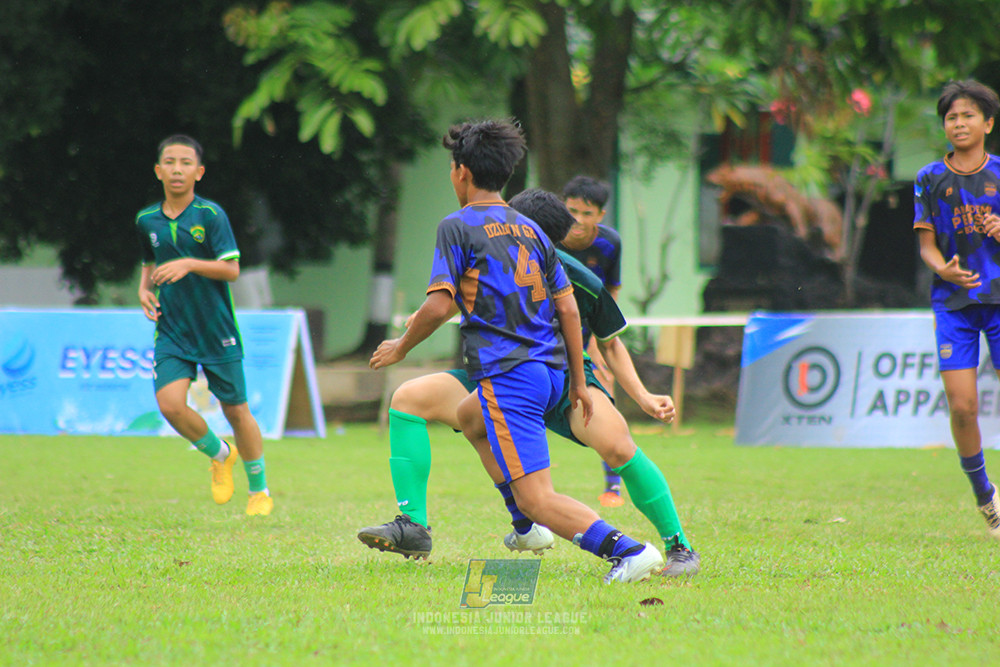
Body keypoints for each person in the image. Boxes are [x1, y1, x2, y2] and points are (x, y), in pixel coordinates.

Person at [368, 119, 663, 583]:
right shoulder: (531, 229)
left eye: (450, 168)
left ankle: (626, 551)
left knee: (538, 497)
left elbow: (440, 302)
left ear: (462, 172)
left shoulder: (457, 226)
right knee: (469, 418)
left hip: (510, 376)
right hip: (548, 373)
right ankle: (525, 531)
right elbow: (568, 311)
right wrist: (581, 383)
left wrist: (401, 346)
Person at [136, 134, 273, 516]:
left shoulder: (211, 216)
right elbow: (150, 261)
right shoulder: (146, 220)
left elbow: (231, 269)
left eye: (185, 162)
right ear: (158, 170)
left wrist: (190, 263)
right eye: (170, 162)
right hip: (172, 330)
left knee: (236, 411)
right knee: (170, 405)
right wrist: (144, 289)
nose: (177, 169)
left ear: (199, 172)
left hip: (216, 330)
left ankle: (259, 490)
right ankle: (220, 454)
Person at [915, 79, 1000, 539]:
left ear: (988, 123)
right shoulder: (930, 178)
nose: (959, 123)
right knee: (963, 407)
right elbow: (927, 246)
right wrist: (942, 270)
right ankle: (986, 498)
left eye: (969, 115)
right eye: (952, 116)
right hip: (954, 304)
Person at [559, 175, 626, 507]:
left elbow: (611, 292)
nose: (578, 221)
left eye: (587, 213)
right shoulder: (548, 239)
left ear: (600, 215)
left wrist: (597, 345)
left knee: (603, 395)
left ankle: (612, 485)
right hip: (550, 334)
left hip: (590, 331)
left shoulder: (610, 243)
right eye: (572, 211)